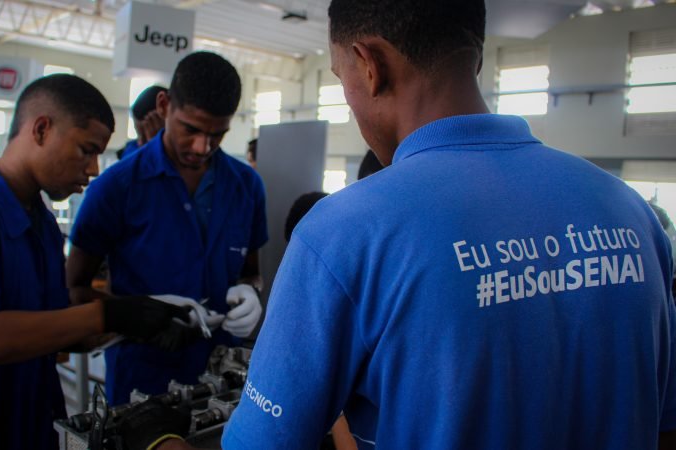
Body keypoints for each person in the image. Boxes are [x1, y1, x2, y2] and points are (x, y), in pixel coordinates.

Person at [147, 1, 676, 449]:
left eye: (340, 78)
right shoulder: (633, 214)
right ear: (473, 51)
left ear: (368, 64)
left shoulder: (344, 234)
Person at [0, 74, 191, 450]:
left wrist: (143, 320)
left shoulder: (43, 225)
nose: (95, 168)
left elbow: (53, 329)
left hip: (29, 429)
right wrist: (107, 315)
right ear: (41, 129)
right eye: (86, 149)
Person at [67, 51, 268, 406]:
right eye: (190, 129)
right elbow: (74, 289)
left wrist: (249, 293)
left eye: (217, 135)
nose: (202, 147)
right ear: (164, 105)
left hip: (224, 376)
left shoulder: (247, 187)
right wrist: (137, 314)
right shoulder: (116, 188)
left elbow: (250, 272)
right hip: (143, 379)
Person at [117, 84, 168, 159]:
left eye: (144, 135)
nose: (140, 143)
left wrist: (155, 144)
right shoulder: (131, 150)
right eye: (139, 135)